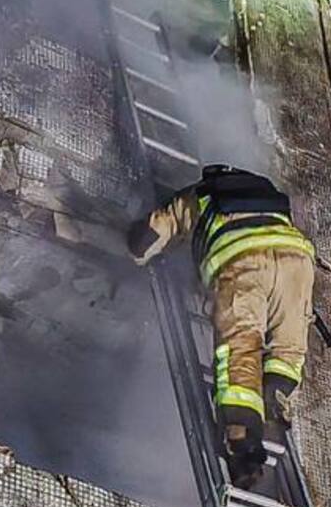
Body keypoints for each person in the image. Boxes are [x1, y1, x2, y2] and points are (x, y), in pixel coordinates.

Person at [127, 164, 315, 487]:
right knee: (289, 344)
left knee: (240, 346)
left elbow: (152, 234)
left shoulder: (201, 195)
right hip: (297, 258)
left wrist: (134, 247)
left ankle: (240, 440)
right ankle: (278, 390)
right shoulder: (268, 196)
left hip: (242, 262)